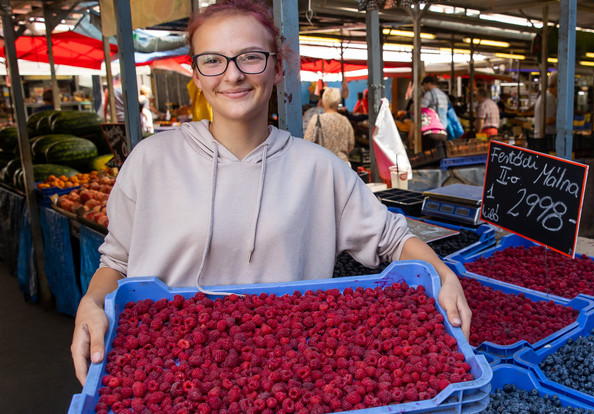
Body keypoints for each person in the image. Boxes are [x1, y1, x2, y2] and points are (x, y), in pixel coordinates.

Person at [70, 0, 471, 386]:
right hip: (168, 372)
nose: (232, 75)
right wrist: (91, 301)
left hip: (284, 371)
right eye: (212, 60)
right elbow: (116, 262)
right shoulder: (151, 160)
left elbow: (394, 239)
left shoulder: (319, 169)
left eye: (251, 57)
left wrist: (443, 274)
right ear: (195, 74)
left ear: (278, 68)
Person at [303, 87, 354, 163]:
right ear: (337, 102)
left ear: (323, 102)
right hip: (343, 165)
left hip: (324, 164)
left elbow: (307, 142)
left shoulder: (317, 119)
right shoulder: (345, 120)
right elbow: (351, 145)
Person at [533, 71, 558, 139]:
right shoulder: (549, 98)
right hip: (546, 139)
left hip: (544, 137)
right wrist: (564, 117)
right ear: (557, 83)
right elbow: (547, 120)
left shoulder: (546, 96)